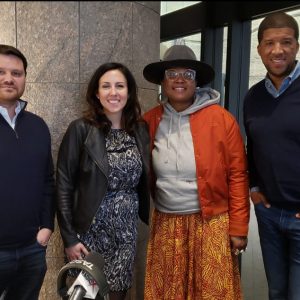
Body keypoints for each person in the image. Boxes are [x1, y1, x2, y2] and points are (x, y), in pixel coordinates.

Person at [142, 44, 250, 299]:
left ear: (197, 81)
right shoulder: (149, 121)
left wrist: (239, 228)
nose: (180, 79)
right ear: (162, 81)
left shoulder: (222, 120)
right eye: (172, 73)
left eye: (188, 74)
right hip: (167, 224)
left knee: (211, 292)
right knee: (170, 292)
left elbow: (237, 175)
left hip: (211, 223)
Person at [56, 62, 150, 300]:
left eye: (120, 86)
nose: (113, 92)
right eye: (106, 86)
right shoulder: (80, 130)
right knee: (87, 296)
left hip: (126, 233)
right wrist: (69, 238)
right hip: (90, 233)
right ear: (96, 93)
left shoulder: (139, 130)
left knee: (118, 294)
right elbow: (64, 185)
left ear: (129, 93)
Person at [243, 12, 300, 300]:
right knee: (276, 291)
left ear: (297, 46)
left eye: (286, 42)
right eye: (269, 43)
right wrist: (254, 188)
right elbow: (252, 147)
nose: (277, 50)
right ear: (259, 50)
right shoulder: (253, 97)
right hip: (268, 215)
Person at [0, 44, 55, 300]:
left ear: (24, 78)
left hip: (32, 249)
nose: (8, 78)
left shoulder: (37, 126)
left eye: (16, 73)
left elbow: (47, 180)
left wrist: (46, 226)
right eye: (1, 71)